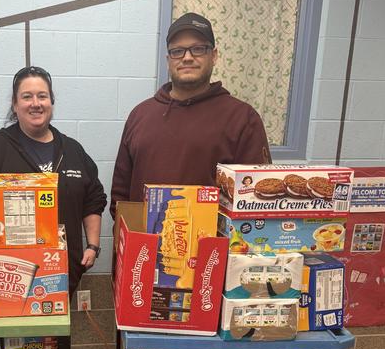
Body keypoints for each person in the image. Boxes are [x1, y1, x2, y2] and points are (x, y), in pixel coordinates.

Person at [110, 12, 271, 216]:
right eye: (178, 51)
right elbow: (120, 195)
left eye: (198, 49)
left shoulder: (242, 119)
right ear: (169, 60)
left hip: (210, 246)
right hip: (143, 246)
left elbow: (255, 197)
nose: (187, 57)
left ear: (214, 56)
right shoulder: (141, 115)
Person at [0, 65, 107, 296]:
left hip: (62, 270)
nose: (36, 103)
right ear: (15, 104)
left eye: (42, 96)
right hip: (9, 275)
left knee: (56, 333)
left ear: (51, 101)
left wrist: (92, 245)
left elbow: (93, 199)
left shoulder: (72, 150)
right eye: (27, 96)